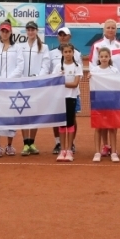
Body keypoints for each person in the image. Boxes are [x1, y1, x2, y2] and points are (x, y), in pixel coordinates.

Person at [11, 21, 47, 156]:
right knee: (24, 115)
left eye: (33, 29)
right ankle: (26, 143)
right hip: (23, 85)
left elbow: (46, 65)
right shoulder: (20, 47)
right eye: (28, 30)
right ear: (26, 32)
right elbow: (18, 64)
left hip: (37, 85)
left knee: (35, 115)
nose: (31, 32)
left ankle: (32, 142)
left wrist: (37, 77)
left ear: (37, 31)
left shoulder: (44, 47)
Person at [44, 26, 82, 154]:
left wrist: (62, 83)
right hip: (57, 95)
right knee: (57, 119)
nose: (62, 37)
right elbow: (50, 73)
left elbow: (77, 76)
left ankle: (71, 144)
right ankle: (59, 143)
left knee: (73, 118)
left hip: (73, 95)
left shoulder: (77, 54)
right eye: (60, 35)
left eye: (65, 35)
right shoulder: (51, 53)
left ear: (69, 36)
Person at [0, 20, 18, 157]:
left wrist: (9, 80)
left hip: (12, 87)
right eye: (2, 31)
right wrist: (0, 80)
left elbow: (20, 66)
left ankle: (9, 145)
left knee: (11, 117)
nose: (5, 33)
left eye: (7, 31)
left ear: (10, 32)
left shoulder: (17, 48)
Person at [91, 47, 120, 162]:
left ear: (109, 57)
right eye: (102, 56)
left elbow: (118, 85)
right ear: (98, 58)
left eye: (106, 56)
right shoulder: (94, 70)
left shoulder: (114, 70)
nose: (104, 59)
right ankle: (97, 152)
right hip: (99, 103)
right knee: (98, 128)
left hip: (111, 103)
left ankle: (113, 152)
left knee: (112, 128)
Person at [56, 43, 82, 162]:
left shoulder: (77, 67)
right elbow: (53, 82)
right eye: (65, 52)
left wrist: (61, 83)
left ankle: (70, 150)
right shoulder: (58, 67)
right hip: (60, 99)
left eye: (69, 52)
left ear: (73, 53)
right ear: (62, 53)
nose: (67, 54)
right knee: (62, 124)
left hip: (72, 98)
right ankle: (62, 150)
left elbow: (75, 84)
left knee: (70, 124)